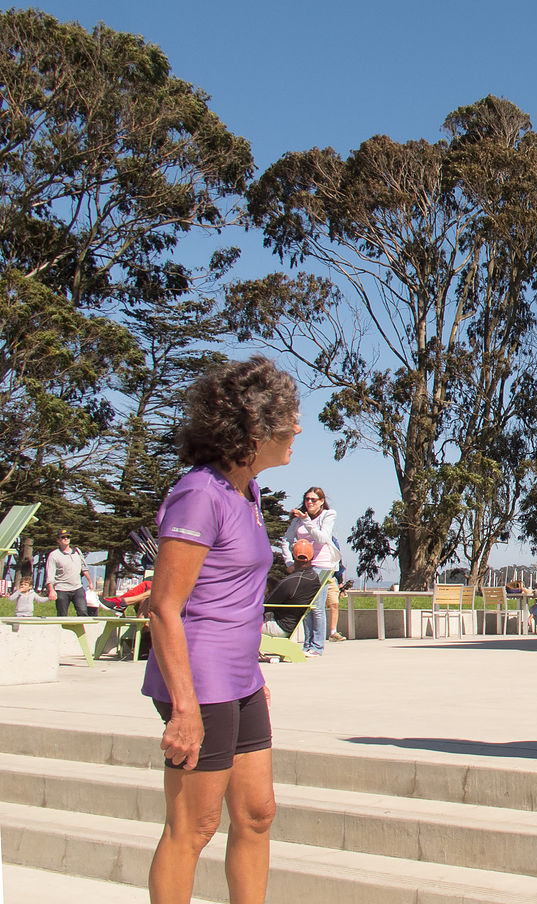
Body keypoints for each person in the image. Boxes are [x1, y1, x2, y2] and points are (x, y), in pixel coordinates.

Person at [142, 355, 300, 904]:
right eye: (289, 418)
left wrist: (252, 673)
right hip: (199, 681)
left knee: (257, 813)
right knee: (194, 826)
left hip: (241, 679)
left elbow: (236, 597)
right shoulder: (199, 492)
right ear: (253, 427)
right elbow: (164, 608)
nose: (298, 428)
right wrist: (184, 709)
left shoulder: (246, 492)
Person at [282, 486, 339, 656]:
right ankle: (307, 644)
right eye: (307, 499)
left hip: (322, 565)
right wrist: (289, 561)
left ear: (321, 501)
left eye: (313, 500)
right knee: (305, 606)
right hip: (303, 565)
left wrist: (306, 521)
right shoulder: (298, 519)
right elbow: (286, 539)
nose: (309, 503)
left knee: (317, 606)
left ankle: (317, 646)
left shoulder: (328, 515)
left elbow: (321, 538)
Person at [263, 539, 323, 640]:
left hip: (279, 626)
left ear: (293, 556)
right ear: (312, 556)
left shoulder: (291, 581)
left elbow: (266, 605)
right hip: (289, 624)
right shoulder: (313, 577)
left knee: (237, 625)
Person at [45, 529, 94, 617]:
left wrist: (90, 582)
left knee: (83, 612)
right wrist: (51, 590)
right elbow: (50, 574)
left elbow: (84, 568)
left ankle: (83, 630)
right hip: (61, 589)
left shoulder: (77, 551)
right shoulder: (54, 555)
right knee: (62, 615)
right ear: (58, 540)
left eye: (67, 537)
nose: (66, 539)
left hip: (77, 587)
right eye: (63, 537)